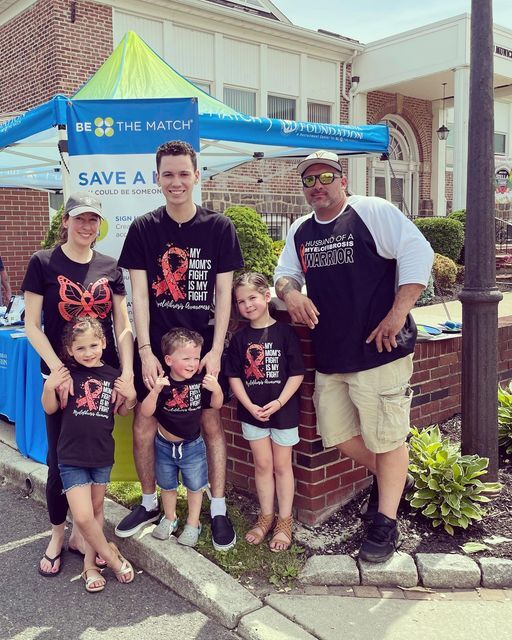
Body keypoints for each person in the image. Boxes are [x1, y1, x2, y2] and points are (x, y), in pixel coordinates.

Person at [274, 150, 434, 563]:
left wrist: (397, 315)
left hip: (380, 351)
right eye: (308, 180)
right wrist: (290, 293)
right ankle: (394, 477)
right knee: (338, 434)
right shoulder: (300, 230)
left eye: (325, 176)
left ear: (343, 179)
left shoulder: (372, 212)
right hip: (332, 355)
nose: (317, 186)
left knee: (387, 436)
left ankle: (385, 521)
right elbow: (284, 274)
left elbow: (419, 254)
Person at [116, 140, 244, 550]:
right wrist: (146, 351)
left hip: (202, 350)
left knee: (210, 422)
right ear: (157, 178)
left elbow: (224, 295)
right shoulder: (142, 229)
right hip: (157, 351)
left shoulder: (219, 228)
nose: (176, 181)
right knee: (144, 422)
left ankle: (218, 509)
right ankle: (151, 503)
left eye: (183, 173)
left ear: (197, 176)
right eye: (167, 174)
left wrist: (217, 350)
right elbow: (138, 296)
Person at [22, 191, 134, 577]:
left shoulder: (110, 266)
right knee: (59, 459)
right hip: (60, 376)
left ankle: (84, 534)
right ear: (65, 221)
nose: (87, 227)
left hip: (103, 375)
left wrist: (129, 374)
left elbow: (122, 325)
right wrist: (57, 370)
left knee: (96, 450)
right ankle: (57, 533)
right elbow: (32, 326)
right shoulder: (43, 262)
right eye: (80, 219)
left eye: (93, 221)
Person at [42, 318, 136, 592]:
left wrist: (129, 396)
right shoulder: (67, 375)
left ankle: (90, 566)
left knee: (96, 511)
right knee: (82, 517)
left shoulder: (112, 375)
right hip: (71, 457)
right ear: (70, 350)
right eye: (80, 348)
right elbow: (50, 409)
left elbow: (122, 411)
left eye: (93, 345)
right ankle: (112, 558)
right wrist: (50, 386)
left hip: (101, 455)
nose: (88, 352)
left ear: (104, 344)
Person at [226, 272, 305, 551]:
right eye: (241, 301)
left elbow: (297, 373)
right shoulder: (239, 338)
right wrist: (249, 405)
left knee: (282, 466)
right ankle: (266, 516)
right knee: (262, 465)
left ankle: (285, 521)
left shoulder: (285, 333)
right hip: (253, 412)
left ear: (266, 297)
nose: (247, 305)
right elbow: (234, 376)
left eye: (252, 298)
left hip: (282, 412)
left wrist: (280, 402)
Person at [140, 328, 223, 547]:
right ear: (168, 359)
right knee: (167, 485)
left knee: (195, 486)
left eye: (196, 358)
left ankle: (193, 523)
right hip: (164, 445)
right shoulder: (163, 384)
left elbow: (216, 405)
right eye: (186, 358)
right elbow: (147, 412)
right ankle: (170, 518)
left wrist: (216, 390)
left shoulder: (199, 381)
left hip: (192, 446)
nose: (193, 363)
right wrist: (155, 391)